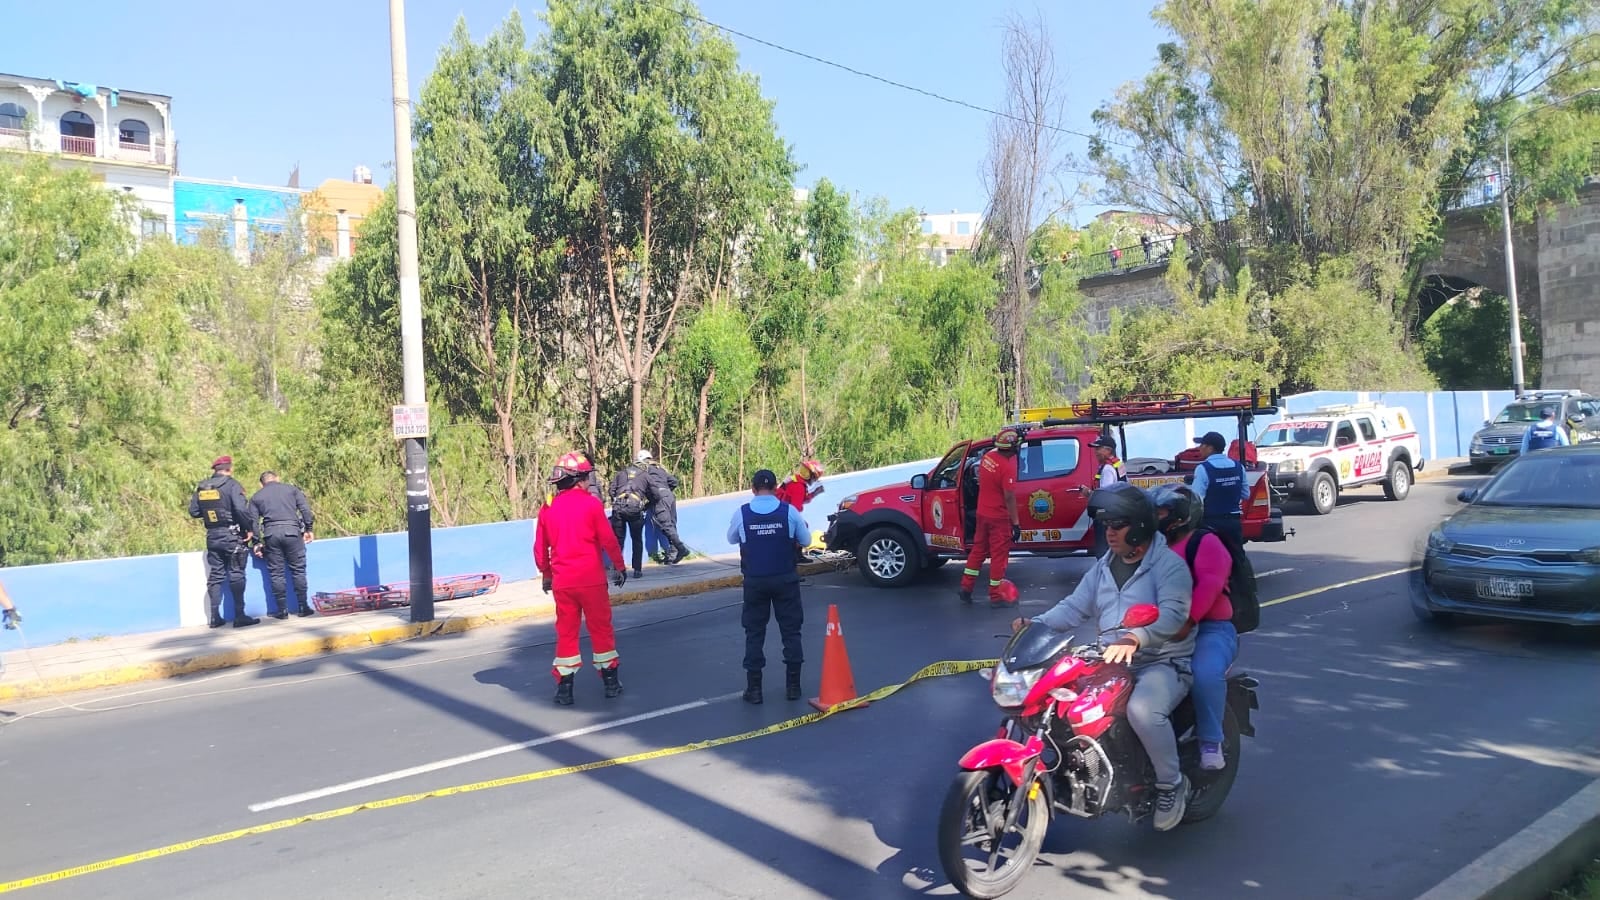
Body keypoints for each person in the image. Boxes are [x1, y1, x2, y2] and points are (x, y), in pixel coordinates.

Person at [1013, 482, 1195, 831]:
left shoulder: (1168, 567)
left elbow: (1174, 615)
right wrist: (1035, 626)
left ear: (1139, 526)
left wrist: (1135, 637)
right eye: (1106, 525)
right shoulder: (1103, 567)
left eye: (1118, 525)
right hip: (1109, 658)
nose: (1109, 532)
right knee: (1060, 705)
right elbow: (1073, 608)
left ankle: (1172, 784)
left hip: (1160, 660)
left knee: (1142, 710)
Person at [1152, 484, 1235, 772]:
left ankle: (1211, 742)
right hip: (1158, 630)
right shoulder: (1154, 547)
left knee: (1204, 673)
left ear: (1180, 517)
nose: (1155, 518)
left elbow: (1209, 586)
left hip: (1209, 629)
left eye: (1161, 512)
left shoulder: (1205, 542)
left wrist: (1187, 622)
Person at [535, 452, 629, 706]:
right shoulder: (591, 504)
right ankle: (610, 683)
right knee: (601, 630)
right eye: (588, 477)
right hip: (591, 581)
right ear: (579, 479)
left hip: (563, 583)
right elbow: (607, 540)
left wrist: (546, 575)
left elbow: (540, 547)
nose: (589, 482)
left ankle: (564, 689)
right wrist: (619, 567)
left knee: (566, 633)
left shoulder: (548, 508)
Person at [727, 469, 810, 704]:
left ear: (753, 489)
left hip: (755, 582)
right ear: (775, 489)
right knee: (791, 632)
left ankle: (754, 690)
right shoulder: (789, 512)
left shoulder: (742, 513)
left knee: (754, 633)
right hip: (785, 579)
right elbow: (806, 540)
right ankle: (793, 687)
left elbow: (731, 538)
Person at [188, 456, 259, 629]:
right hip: (232, 535)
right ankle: (239, 616)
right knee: (236, 573)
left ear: (215, 469)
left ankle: (214, 617)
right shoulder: (232, 485)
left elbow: (194, 511)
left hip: (212, 536)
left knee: (216, 575)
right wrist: (249, 528)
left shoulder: (203, 487)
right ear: (229, 468)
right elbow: (241, 509)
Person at [961, 427, 1023, 609]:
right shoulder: (1008, 465)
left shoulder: (988, 456)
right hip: (998, 517)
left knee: (978, 551)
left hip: (983, 512)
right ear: (1012, 447)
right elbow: (1009, 496)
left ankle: (966, 587)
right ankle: (996, 596)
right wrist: (1016, 523)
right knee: (999, 556)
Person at [246, 471, 316, 619]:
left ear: (261, 484)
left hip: (271, 535)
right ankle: (303, 607)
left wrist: (257, 542)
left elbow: (253, 522)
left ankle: (282, 611)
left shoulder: (256, 497)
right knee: (298, 570)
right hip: (292, 532)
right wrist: (308, 529)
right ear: (277, 479)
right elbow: (305, 510)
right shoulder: (292, 490)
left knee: (276, 573)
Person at [1189, 431, 1249, 546]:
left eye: (1202, 445)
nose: (1199, 448)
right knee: (1237, 558)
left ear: (1210, 448)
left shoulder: (1202, 468)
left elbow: (1197, 499)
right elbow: (1246, 494)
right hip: (1234, 522)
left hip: (1211, 523)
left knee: (1212, 558)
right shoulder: (1239, 467)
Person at [640, 451, 691, 565]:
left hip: (660, 498)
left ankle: (681, 549)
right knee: (671, 525)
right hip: (670, 496)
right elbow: (674, 482)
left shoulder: (645, 470)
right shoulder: (660, 469)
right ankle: (672, 554)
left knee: (666, 525)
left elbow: (643, 488)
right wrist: (665, 492)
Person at [609, 453, 654, 579]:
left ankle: (617, 569)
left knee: (618, 540)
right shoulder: (645, 476)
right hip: (635, 510)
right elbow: (655, 494)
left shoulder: (621, 473)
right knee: (637, 539)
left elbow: (611, 490)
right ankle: (637, 570)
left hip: (618, 508)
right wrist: (646, 505)